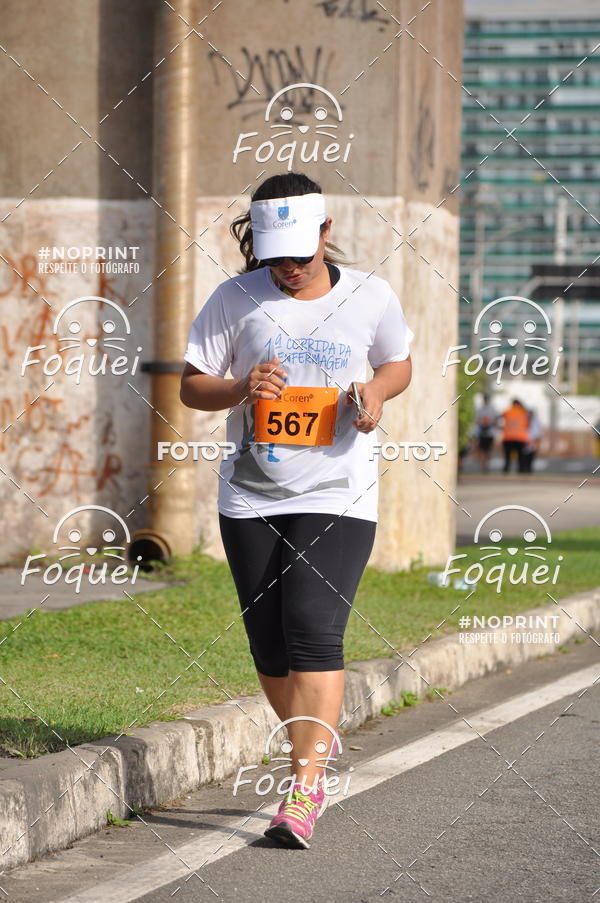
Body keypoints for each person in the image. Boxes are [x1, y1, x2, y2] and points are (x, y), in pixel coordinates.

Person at [180, 171, 413, 849]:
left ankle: (304, 787)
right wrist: (238, 388)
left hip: (338, 493)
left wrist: (374, 393)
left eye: (300, 257)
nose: (286, 269)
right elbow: (193, 384)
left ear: (326, 234)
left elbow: (398, 362)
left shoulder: (371, 295)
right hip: (250, 496)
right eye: (274, 257)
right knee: (271, 646)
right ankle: (305, 754)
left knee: (312, 627)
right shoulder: (235, 299)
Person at [501, 398, 529, 474]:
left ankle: (506, 470)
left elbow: (500, 417)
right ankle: (521, 470)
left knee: (507, 457)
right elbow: (527, 424)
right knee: (521, 457)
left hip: (508, 437)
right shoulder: (524, 412)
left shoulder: (507, 411)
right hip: (520, 438)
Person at [473, 393, 498, 472]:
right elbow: (477, 420)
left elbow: (495, 420)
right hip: (482, 432)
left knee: (488, 449)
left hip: (490, 432)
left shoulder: (492, 409)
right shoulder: (480, 409)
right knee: (482, 449)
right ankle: (483, 464)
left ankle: (486, 464)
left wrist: (489, 424)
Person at [521, 407, 542, 473]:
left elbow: (538, 433)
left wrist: (536, 443)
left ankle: (529, 470)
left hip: (532, 443)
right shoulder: (523, 420)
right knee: (523, 458)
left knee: (531, 458)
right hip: (524, 442)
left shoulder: (536, 421)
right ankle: (523, 470)